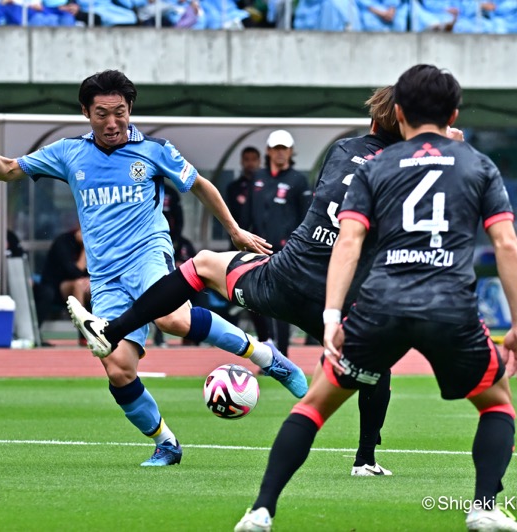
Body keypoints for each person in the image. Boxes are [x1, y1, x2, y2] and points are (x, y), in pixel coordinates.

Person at [0, 69, 308, 467]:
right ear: (86, 112)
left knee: (172, 318)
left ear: (130, 109)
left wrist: (235, 230)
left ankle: (265, 356)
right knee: (118, 369)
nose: (112, 122)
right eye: (102, 113)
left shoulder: (154, 151)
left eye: (119, 112)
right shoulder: (69, 152)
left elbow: (201, 185)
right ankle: (166, 443)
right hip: (105, 276)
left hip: (148, 254)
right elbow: (9, 169)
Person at [234, 65, 517, 532]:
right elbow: (507, 245)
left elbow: (348, 242)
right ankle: (484, 508)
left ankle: (261, 511)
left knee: (313, 406)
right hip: (448, 305)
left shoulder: (374, 165)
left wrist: (332, 315)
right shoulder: (478, 164)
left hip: (378, 305)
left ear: (396, 112)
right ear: (453, 113)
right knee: (497, 405)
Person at [68, 86, 406, 479]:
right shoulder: (406, 168)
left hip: (282, 274)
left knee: (203, 265)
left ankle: (112, 330)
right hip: (335, 298)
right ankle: (365, 459)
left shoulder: (342, 149)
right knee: (377, 364)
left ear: (374, 118)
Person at [249, 129, 311, 357]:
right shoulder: (258, 178)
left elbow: (306, 217)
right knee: (254, 302)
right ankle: (265, 351)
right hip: (256, 250)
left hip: (286, 252)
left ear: (291, 151)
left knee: (281, 303)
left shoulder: (298, 180)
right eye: (276, 149)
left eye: (284, 149)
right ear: (268, 151)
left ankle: (282, 355)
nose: (280, 153)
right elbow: (248, 214)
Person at [225, 146, 270, 342]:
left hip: (264, 246)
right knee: (242, 295)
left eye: (254, 159)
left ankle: (269, 339)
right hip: (239, 248)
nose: (250, 163)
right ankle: (239, 337)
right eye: (247, 159)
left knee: (265, 296)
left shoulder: (268, 184)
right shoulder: (233, 188)